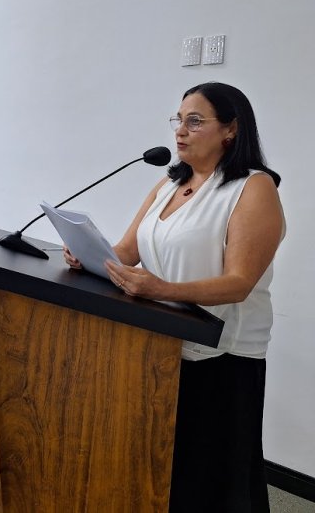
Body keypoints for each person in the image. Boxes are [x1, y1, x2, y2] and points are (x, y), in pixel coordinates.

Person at [63, 82, 284, 512]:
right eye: (178, 120)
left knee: (214, 477)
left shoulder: (253, 188)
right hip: (159, 342)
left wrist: (161, 289)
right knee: (164, 464)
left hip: (223, 355)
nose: (181, 131)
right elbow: (128, 252)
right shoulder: (170, 182)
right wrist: (85, 252)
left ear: (231, 130)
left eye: (195, 121)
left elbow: (239, 282)